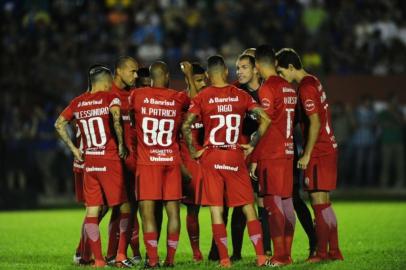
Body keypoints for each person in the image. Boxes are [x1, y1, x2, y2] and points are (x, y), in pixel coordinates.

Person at [182, 55, 271, 268]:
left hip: (211, 156)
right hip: (234, 155)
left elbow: (186, 126)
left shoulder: (203, 97)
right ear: (225, 73)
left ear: (208, 76)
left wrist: (195, 151)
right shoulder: (240, 95)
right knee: (248, 208)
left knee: (216, 209)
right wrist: (252, 144)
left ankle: (223, 260)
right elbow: (266, 118)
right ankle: (260, 256)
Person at [55, 65, 132, 267]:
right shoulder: (109, 97)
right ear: (106, 81)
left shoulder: (77, 102)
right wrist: (122, 145)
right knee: (124, 206)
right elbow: (116, 120)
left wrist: (74, 149)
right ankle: (120, 255)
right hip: (109, 158)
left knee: (92, 211)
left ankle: (96, 259)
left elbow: (59, 124)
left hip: (89, 162)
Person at [276, 48, 344, 262]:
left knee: (318, 202)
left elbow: (314, 122)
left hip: (319, 151)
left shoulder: (305, 88)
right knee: (324, 203)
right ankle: (334, 251)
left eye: (281, 72)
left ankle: (321, 253)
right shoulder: (313, 80)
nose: (281, 77)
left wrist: (306, 154)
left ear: (290, 67)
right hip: (328, 148)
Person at [129, 61, 189, 268]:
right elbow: (194, 99)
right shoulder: (178, 97)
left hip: (147, 163)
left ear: (152, 77)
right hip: (171, 161)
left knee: (147, 213)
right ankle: (170, 260)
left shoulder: (138, 96)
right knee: (173, 212)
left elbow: (130, 116)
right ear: (166, 76)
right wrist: (189, 75)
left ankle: (152, 260)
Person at [250, 45, 297, 266]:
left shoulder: (268, 88)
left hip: (272, 154)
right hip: (288, 152)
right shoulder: (288, 87)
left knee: (273, 204)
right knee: (287, 203)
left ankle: (279, 257)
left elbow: (266, 123)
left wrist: (253, 154)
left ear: (257, 66)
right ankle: (286, 254)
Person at [104, 56, 140, 266]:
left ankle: (113, 254)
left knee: (121, 209)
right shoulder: (108, 95)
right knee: (111, 209)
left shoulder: (133, 95)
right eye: (131, 71)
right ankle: (117, 256)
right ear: (118, 70)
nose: (135, 76)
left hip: (131, 161)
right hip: (114, 161)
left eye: (137, 72)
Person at [179, 61, 207, 262]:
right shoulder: (182, 98)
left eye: (203, 80)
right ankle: (196, 252)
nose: (202, 84)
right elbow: (192, 99)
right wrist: (189, 76)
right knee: (193, 208)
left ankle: (219, 250)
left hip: (208, 158)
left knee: (220, 207)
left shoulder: (208, 97)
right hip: (189, 159)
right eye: (198, 80)